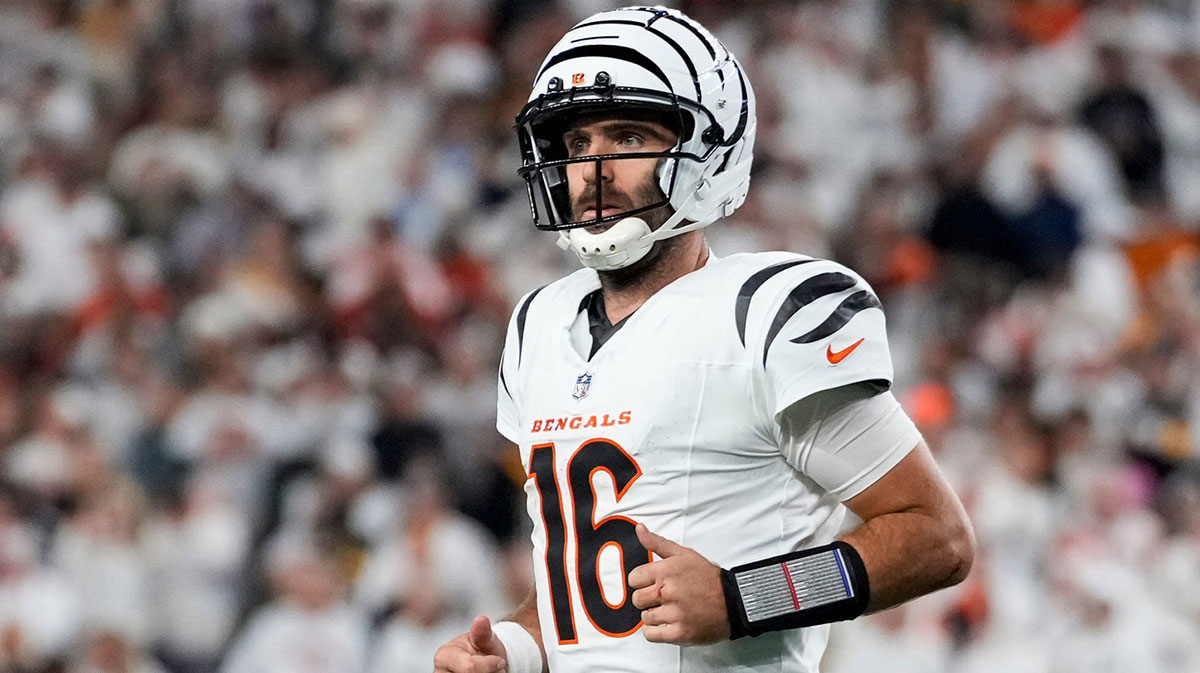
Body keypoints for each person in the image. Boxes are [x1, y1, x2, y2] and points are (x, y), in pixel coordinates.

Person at [434, 6, 974, 673]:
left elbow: (936, 538)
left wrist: (744, 598)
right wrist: (512, 650)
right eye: (576, 144)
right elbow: (586, 585)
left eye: (627, 137)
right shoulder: (537, 325)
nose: (593, 169)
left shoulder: (761, 315)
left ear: (708, 151)